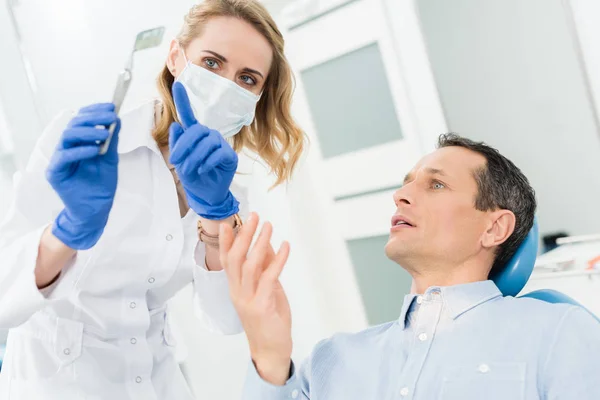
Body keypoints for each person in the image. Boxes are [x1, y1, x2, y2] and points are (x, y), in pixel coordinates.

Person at [0, 1, 304, 399]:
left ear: (257, 98)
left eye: (247, 78)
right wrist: (68, 231)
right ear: (176, 57)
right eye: (212, 63)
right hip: (53, 384)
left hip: (156, 384)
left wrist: (216, 218)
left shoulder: (226, 193)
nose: (226, 85)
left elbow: (227, 319)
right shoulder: (87, 146)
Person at [219, 134, 600, 400]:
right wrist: (268, 354)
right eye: (406, 184)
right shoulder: (333, 359)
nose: (401, 196)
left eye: (435, 185)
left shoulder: (557, 331)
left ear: (494, 227)